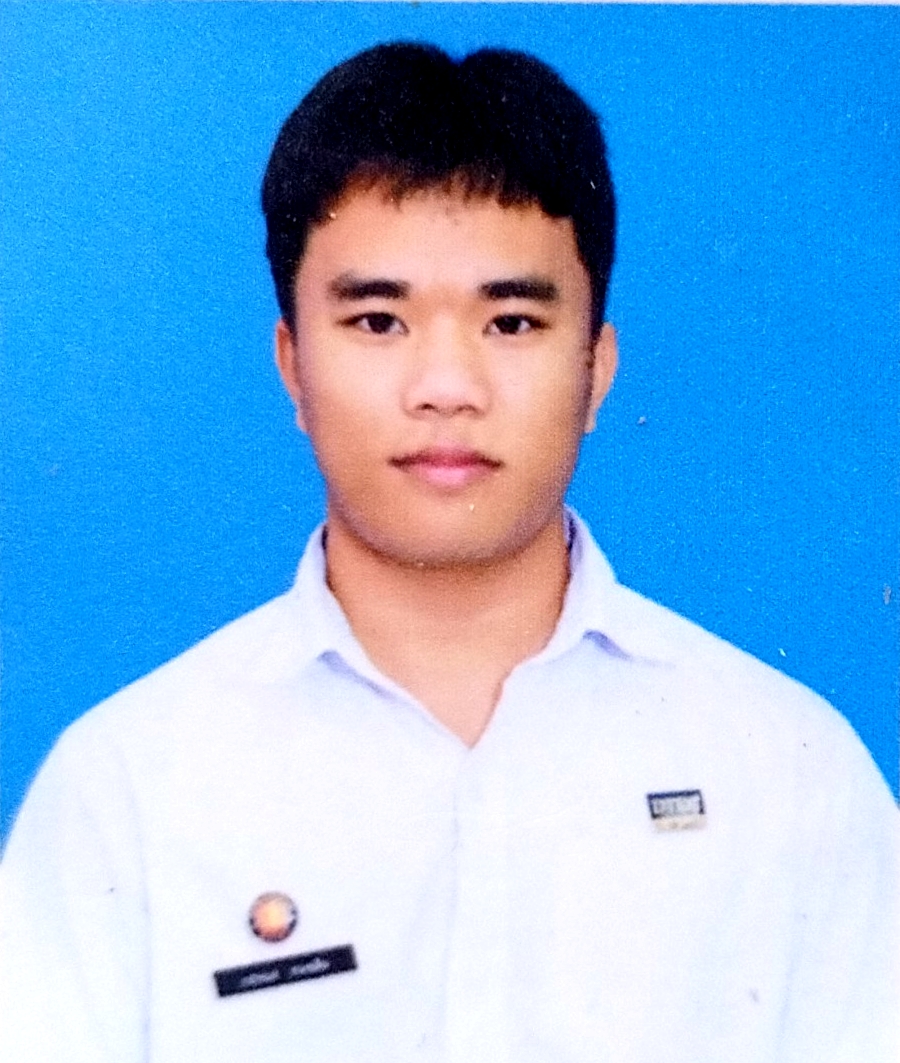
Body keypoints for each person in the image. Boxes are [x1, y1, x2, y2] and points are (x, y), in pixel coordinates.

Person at [0, 42, 896, 1063]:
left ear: (597, 368)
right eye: (378, 319)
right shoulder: (127, 791)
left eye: (510, 321)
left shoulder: (789, 774)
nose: (446, 386)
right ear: (292, 363)